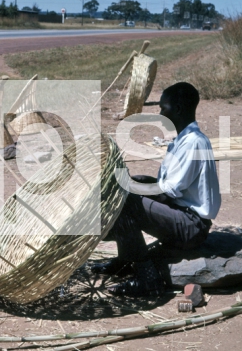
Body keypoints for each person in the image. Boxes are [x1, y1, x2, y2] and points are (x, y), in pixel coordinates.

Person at [93, 82, 221, 296]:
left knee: (129, 203)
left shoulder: (193, 143)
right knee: (135, 185)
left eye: (164, 108)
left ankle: (147, 279)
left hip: (191, 226)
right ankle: (126, 262)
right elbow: (166, 186)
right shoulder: (181, 140)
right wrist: (135, 182)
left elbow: (168, 192)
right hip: (181, 215)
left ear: (178, 109)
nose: (160, 113)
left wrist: (128, 189)